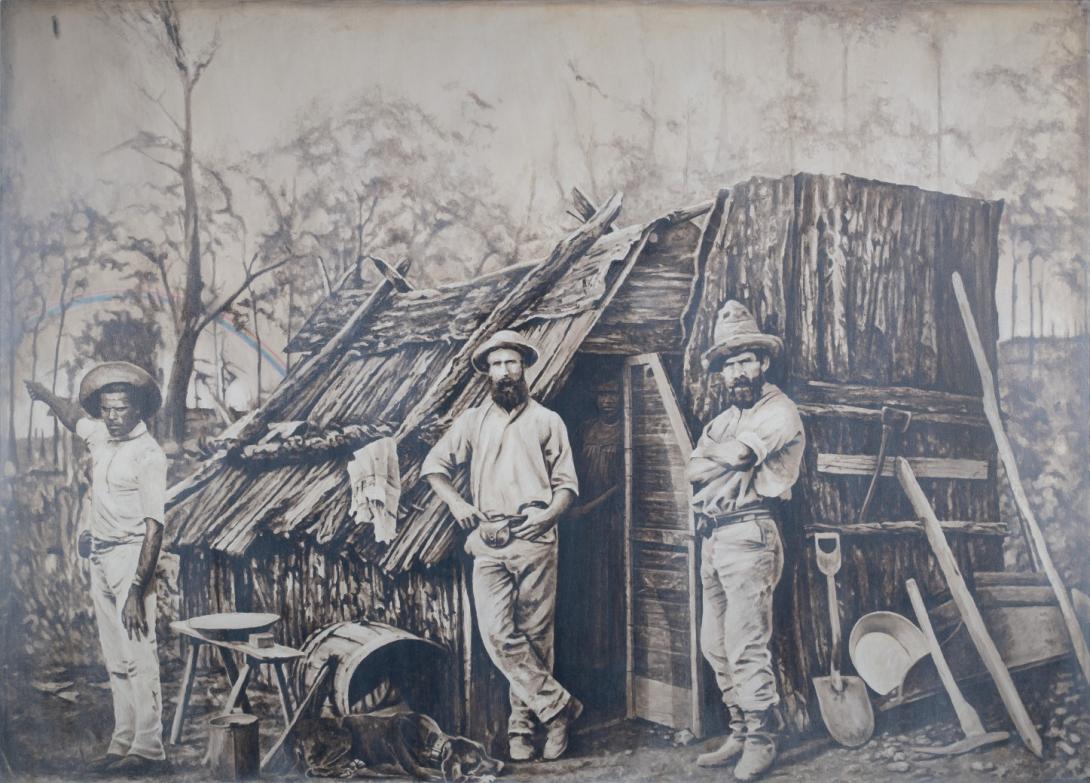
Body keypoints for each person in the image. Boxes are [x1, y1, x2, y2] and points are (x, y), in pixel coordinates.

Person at [422, 330, 582, 762]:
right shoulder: (472, 421)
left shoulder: (548, 421)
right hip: (489, 538)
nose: (504, 372)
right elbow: (433, 467)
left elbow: (567, 486)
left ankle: (524, 731)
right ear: (486, 374)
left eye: (511, 363)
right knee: (497, 632)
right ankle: (559, 707)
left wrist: (547, 515)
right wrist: (457, 504)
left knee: (535, 635)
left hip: (535, 535)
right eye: (496, 365)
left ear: (524, 368)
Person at [26, 361, 169, 776]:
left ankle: (149, 748)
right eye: (106, 409)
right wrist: (43, 393)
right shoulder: (102, 437)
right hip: (101, 557)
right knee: (116, 658)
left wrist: (137, 589)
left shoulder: (149, 455)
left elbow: (154, 527)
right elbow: (74, 417)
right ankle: (123, 741)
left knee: (141, 654)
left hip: (131, 559)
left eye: (121, 408)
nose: (113, 416)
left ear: (138, 409)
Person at [685, 301, 805, 782]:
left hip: (752, 533)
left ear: (763, 363)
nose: (737, 371)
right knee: (713, 643)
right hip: (713, 537)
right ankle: (738, 726)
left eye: (745, 360)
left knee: (745, 642)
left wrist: (727, 457)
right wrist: (724, 458)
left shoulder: (780, 410)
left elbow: (736, 455)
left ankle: (761, 737)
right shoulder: (722, 420)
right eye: (729, 364)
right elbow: (692, 469)